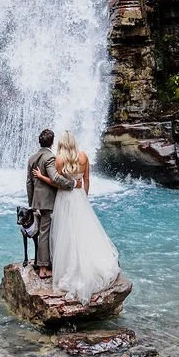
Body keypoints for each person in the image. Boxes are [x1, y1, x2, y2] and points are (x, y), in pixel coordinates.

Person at [38, 129, 121, 304]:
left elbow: (57, 182)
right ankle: (89, 263)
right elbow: (87, 179)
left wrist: (40, 177)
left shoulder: (59, 160)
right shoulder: (83, 156)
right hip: (80, 197)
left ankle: (69, 266)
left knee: (65, 232)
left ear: (62, 143)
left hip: (65, 198)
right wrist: (84, 196)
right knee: (83, 231)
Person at [25, 128, 73, 279]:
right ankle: (44, 267)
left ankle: (46, 262)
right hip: (48, 201)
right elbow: (55, 178)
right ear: (52, 143)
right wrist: (70, 184)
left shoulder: (32, 158)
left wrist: (32, 203)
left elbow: (28, 183)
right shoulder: (50, 158)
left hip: (37, 201)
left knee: (43, 232)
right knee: (45, 233)